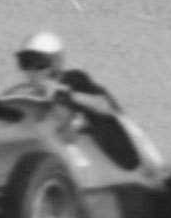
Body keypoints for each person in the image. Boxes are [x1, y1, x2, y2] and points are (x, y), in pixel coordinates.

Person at [11, 31, 137, 165]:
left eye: (37, 63)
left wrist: (66, 94)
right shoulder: (28, 95)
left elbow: (107, 107)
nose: (31, 71)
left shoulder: (73, 80)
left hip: (111, 158)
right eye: (25, 62)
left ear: (55, 63)